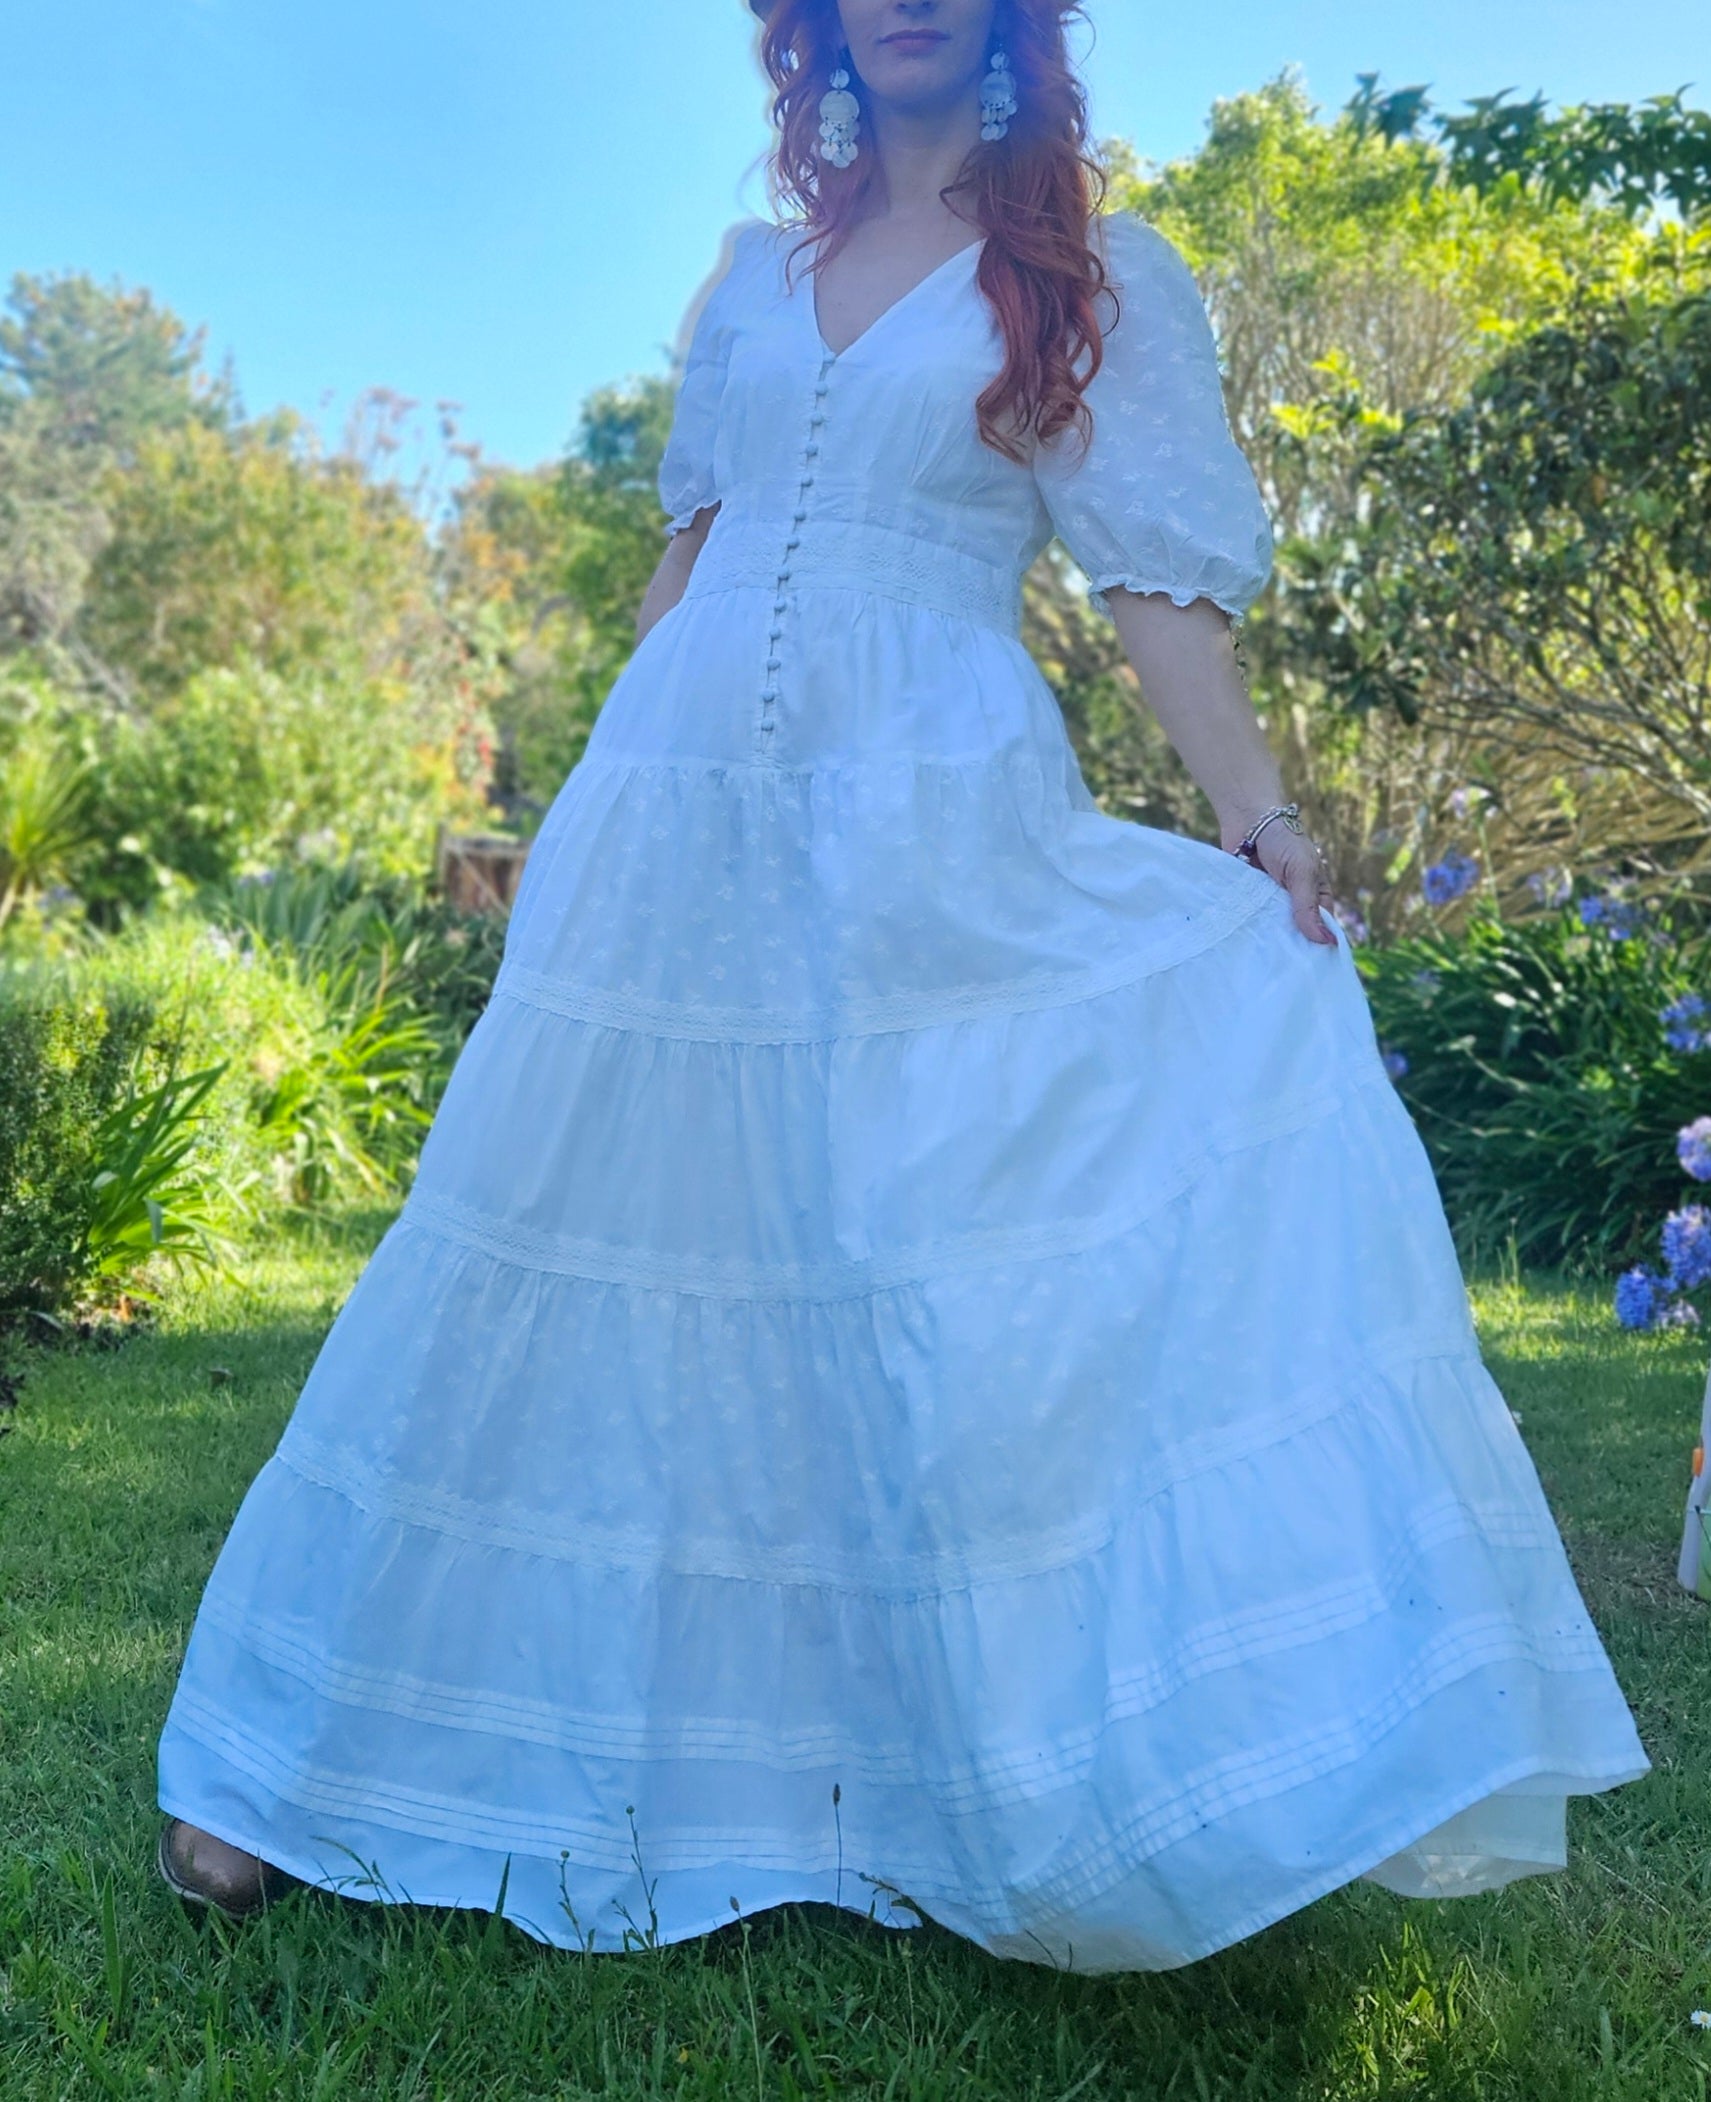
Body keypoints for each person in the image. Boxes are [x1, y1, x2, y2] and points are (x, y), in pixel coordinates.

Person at [155, 0, 1651, 1972]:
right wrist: (594, 805)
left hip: (925, 807)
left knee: (891, 1265)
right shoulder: (746, 279)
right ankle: (296, 1754)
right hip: (680, 804)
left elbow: (1149, 585)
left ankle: (891, 1771)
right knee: (536, 1234)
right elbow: (690, 558)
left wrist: (1260, 816)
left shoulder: (1086, 270)